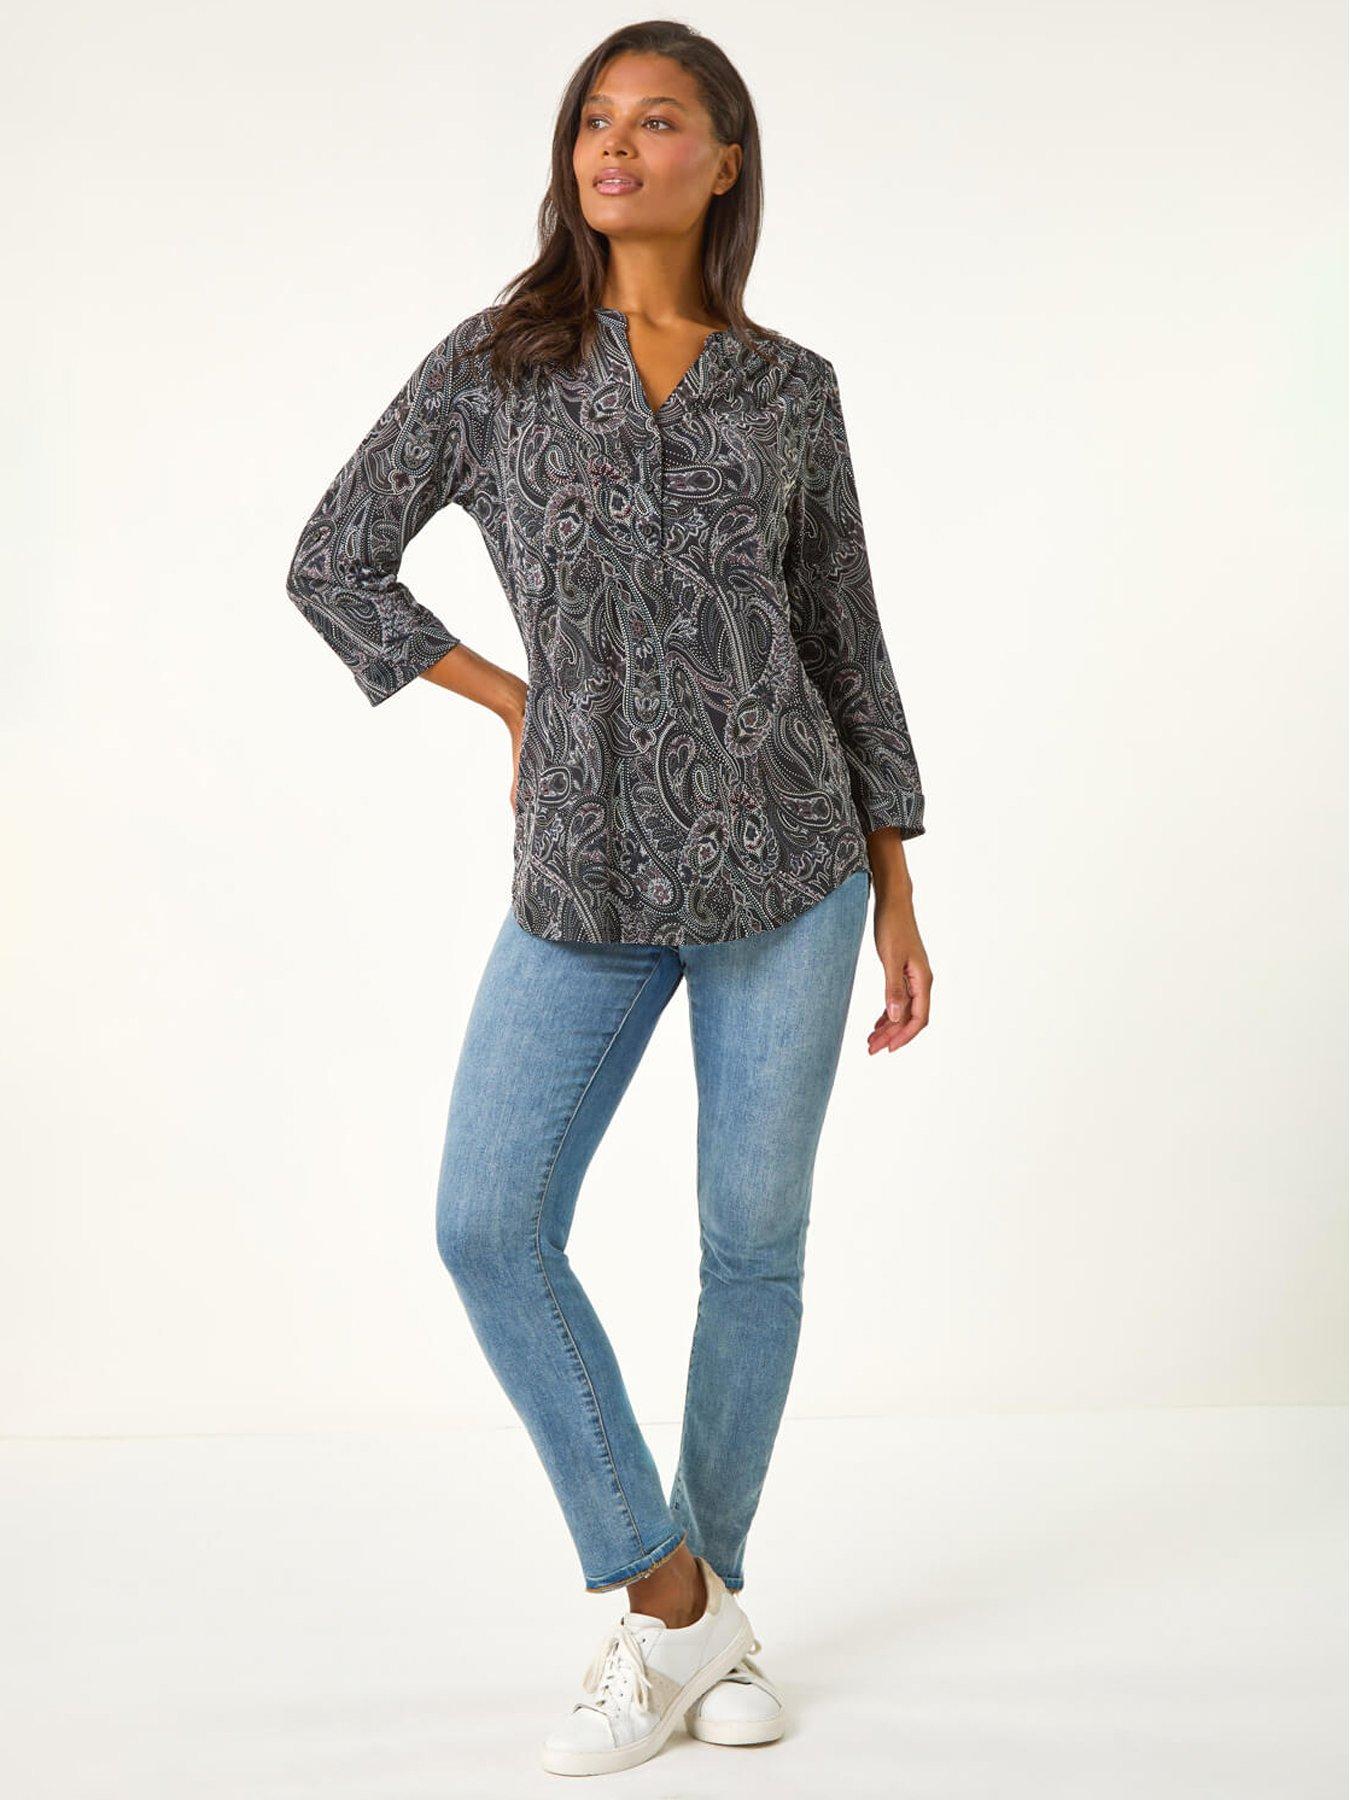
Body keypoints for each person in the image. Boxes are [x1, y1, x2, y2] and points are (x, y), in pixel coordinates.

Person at [284, 20, 933, 1779]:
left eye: (657, 121)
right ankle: (670, 1601)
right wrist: (514, 699)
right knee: (487, 1223)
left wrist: (893, 884)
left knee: (751, 1246)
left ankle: (711, 1610)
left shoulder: (788, 390)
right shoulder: (497, 365)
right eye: (592, 120)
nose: (614, 145)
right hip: (582, 867)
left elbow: (843, 640)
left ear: (724, 163)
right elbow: (332, 559)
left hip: (791, 867)